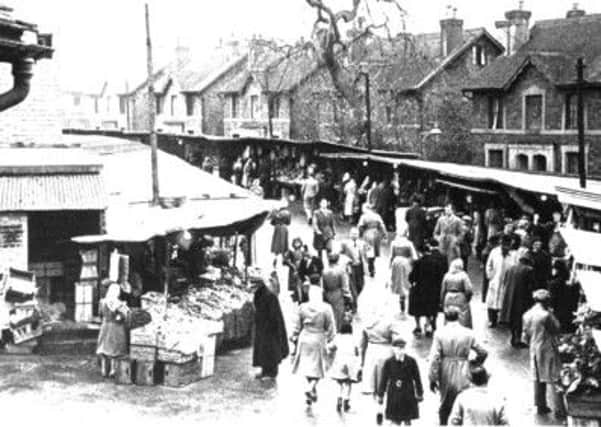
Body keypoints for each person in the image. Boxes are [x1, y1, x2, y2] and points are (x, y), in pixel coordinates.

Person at [429, 307, 488, 426]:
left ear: (445, 317)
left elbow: (434, 358)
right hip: (464, 367)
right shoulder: (468, 333)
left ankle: (443, 423)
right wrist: (475, 363)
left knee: (445, 401)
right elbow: (483, 352)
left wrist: (432, 377)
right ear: (459, 316)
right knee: (464, 399)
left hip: (446, 368)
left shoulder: (440, 333)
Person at [290, 284, 337, 406]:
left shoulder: (302, 307)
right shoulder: (326, 308)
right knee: (318, 367)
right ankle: (311, 387)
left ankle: (311, 393)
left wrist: (294, 336)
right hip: (318, 338)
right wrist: (332, 339)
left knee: (307, 366)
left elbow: (296, 325)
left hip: (304, 338)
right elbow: (331, 326)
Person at [522, 289, 565, 418]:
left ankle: (540, 405)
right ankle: (559, 409)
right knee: (555, 377)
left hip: (534, 348)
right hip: (548, 348)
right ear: (546, 301)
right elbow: (557, 328)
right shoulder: (546, 315)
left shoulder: (527, 314)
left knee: (538, 377)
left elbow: (525, 335)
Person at [359, 296, 402, 397]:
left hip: (371, 352)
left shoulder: (367, 323)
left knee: (373, 382)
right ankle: (382, 406)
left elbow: (362, 345)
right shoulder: (390, 322)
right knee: (386, 382)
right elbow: (396, 341)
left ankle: (376, 407)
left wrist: (362, 362)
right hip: (386, 351)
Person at [377, 338, 423, 426]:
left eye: (403, 348)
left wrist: (420, 393)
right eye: (398, 349)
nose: (401, 351)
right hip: (394, 393)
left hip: (408, 393)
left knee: (407, 419)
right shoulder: (389, 362)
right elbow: (384, 379)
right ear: (393, 349)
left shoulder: (411, 361)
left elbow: (417, 378)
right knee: (395, 420)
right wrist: (380, 395)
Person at [409, 239, 448, 337]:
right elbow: (441, 276)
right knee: (429, 308)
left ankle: (418, 326)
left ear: (420, 252)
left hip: (419, 289)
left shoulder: (418, 263)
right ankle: (428, 325)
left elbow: (411, 277)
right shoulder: (436, 263)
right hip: (432, 289)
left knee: (417, 309)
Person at [252, 277, 289, 379]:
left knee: (271, 350)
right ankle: (264, 370)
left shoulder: (270, 296)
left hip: (270, 329)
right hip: (263, 327)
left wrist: (272, 328)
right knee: (263, 350)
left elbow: (274, 316)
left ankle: (272, 372)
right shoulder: (259, 294)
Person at [500, 253, 535, 347]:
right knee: (520, 319)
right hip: (521, 298)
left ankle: (513, 337)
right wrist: (531, 300)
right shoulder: (528, 270)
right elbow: (530, 286)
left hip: (509, 298)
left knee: (512, 318)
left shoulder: (510, 268)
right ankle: (518, 339)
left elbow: (504, 282)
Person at [97, 282, 130, 377]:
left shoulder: (102, 302)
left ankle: (103, 370)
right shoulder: (119, 303)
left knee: (104, 348)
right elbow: (124, 315)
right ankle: (112, 370)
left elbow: (100, 314)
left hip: (105, 326)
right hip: (115, 327)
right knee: (114, 349)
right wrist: (120, 317)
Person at [328, 318, 361, 413]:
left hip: (340, 360)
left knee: (340, 382)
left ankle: (339, 398)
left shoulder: (338, 337)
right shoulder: (353, 338)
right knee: (348, 383)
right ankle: (346, 401)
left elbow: (331, 347)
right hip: (350, 361)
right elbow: (357, 351)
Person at [485, 234, 514, 328]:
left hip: (506, 280)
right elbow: (489, 264)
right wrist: (490, 275)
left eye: (507, 246)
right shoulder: (494, 252)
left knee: (503, 300)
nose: (505, 248)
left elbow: (513, 267)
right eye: (503, 245)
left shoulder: (512, 255)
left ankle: (502, 319)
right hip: (495, 279)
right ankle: (491, 320)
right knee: (491, 300)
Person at [321, 253, 353, 332]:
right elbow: (345, 286)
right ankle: (337, 331)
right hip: (338, 294)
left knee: (330, 314)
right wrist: (348, 297)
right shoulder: (340, 271)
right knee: (338, 315)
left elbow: (323, 286)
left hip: (328, 294)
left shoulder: (324, 271)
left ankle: (330, 331)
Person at [548, 260, 579, 333]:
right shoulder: (569, 283)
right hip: (568, 312)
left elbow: (552, 300)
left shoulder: (553, 284)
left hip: (558, 312)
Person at [440, 259, 473, 329]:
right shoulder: (463, 275)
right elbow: (469, 289)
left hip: (448, 297)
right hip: (461, 297)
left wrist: (442, 301)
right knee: (463, 318)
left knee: (449, 316)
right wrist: (467, 298)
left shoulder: (447, 275)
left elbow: (443, 290)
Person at [358, 203, 387, 277]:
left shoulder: (364, 217)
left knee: (368, 252)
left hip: (368, 234)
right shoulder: (377, 216)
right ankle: (372, 266)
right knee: (373, 252)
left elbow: (360, 227)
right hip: (376, 235)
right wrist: (384, 236)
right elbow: (382, 226)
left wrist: (360, 235)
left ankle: (371, 268)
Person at [340, 227, 367, 297]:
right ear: (350, 234)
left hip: (359, 267)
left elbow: (364, 255)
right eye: (353, 234)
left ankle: (356, 295)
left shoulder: (361, 243)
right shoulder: (345, 243)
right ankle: (354, 298)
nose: (355, 235)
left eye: (356, 234)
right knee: (352, 284)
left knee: (361, 284)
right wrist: (346, 263)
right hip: (351, 267)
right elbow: (341, 254)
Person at [389, 246, 413, 317]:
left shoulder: (395, 261)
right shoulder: (407, 261)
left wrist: (392, 281)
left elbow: (392, 272)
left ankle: (402, 309)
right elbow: (409, 271)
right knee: (405, 294)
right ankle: (404, 309)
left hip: (399, 280)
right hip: (406, 280)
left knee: (402, 295)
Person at [283, 237, 305, 304]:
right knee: (297, 284)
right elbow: (285, 260)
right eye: (295, 243)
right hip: (294, 270)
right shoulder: (291, 252)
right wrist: (291, 265)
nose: (297, 244)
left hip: (301, 269)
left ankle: (300, 297)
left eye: (298, 242)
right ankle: (299, 298)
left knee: (300, 283)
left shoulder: (303, 252)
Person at [480, 235, 499, 303]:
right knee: (487, 283)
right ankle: (485, 298)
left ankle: (484, 298)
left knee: (485, 282)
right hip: (489, 267)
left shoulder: (488, 247)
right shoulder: (491, 248)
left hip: (487, 266)